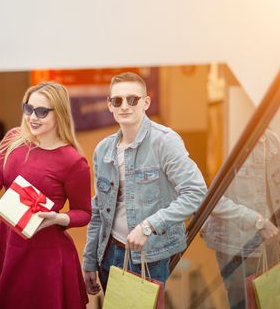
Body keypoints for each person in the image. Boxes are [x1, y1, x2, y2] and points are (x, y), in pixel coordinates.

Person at [0, 82, 92, 309]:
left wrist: (57, 218)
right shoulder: (13, 139)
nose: (32, 117)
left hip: (47, 256)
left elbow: (84, 212)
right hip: (10, 245)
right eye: (28, 109)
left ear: (60, 113)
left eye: (42, 111)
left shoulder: (73, 161)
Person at [82, 72, 208, 294]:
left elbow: (196, 192)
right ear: (109, 105)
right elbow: (99, 210)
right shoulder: (103, 149)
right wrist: (89, 260)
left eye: (133, 99)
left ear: (146, 102)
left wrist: (149, 226)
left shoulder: (165, 141)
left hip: (149, 257)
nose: (125, 106)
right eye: (117, 100)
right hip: (109, 254)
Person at [202, 130, 280, 309]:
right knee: (243, 308)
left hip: (269, 244)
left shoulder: (273, 142)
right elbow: (211, 201)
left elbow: (278, 201)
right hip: (235, 246)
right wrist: (258, 222)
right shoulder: (233, 144)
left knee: (271, 306)